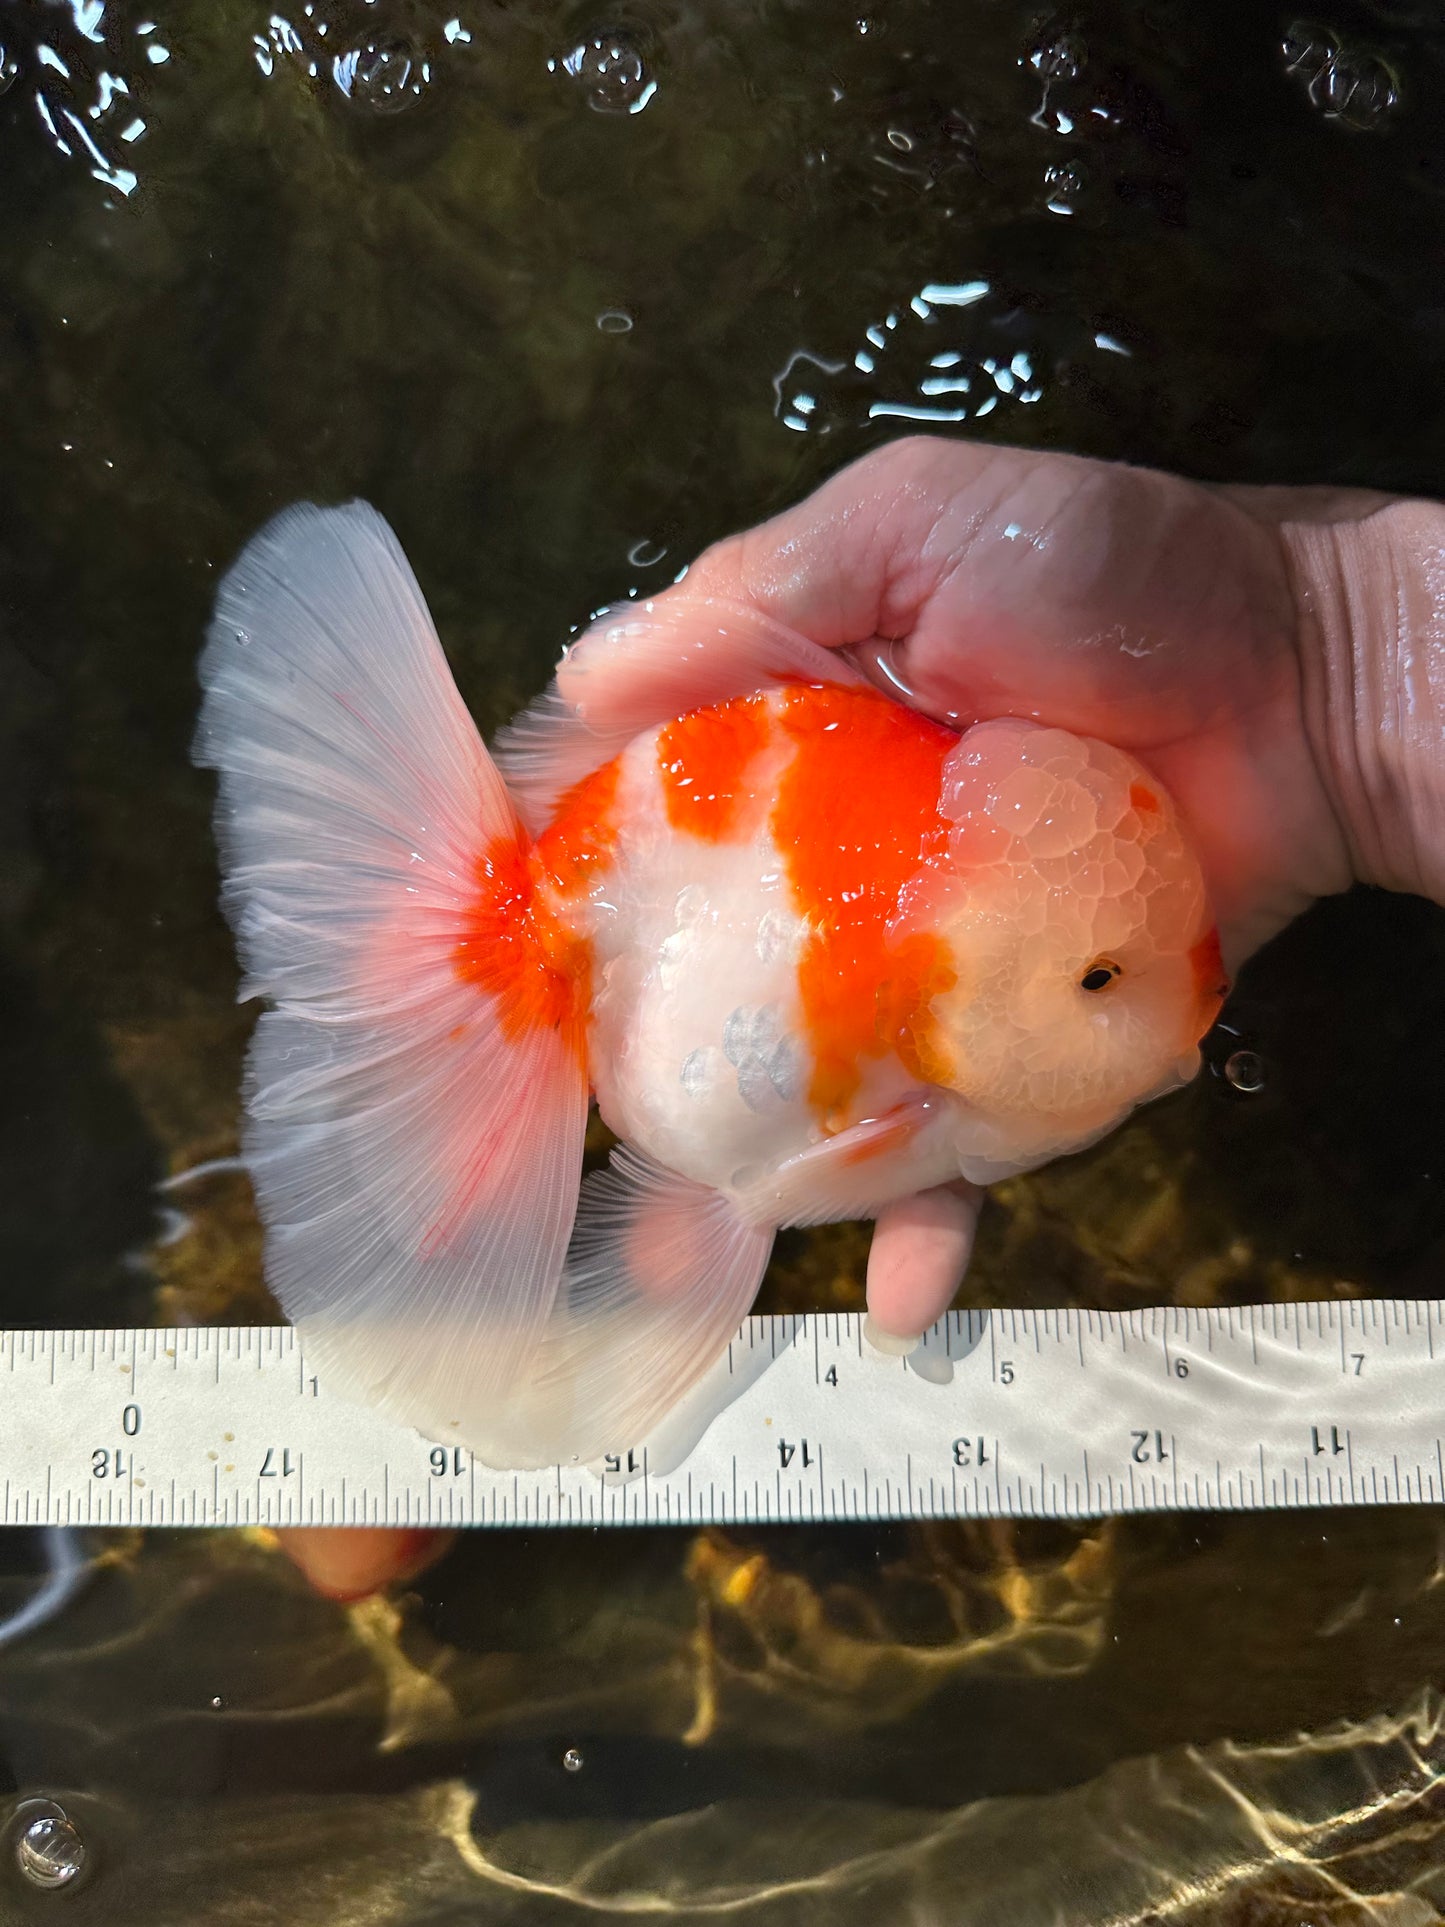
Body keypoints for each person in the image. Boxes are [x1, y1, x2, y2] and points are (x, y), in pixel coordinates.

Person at [277, 433, 1445, 1599]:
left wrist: (1334, 641)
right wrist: (1334, 638)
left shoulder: (971, 1026)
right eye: (1098, 980)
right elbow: (776, 1182)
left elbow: (785, 1179)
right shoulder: (922, 1051)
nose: (1190, 998)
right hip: (644, 890)